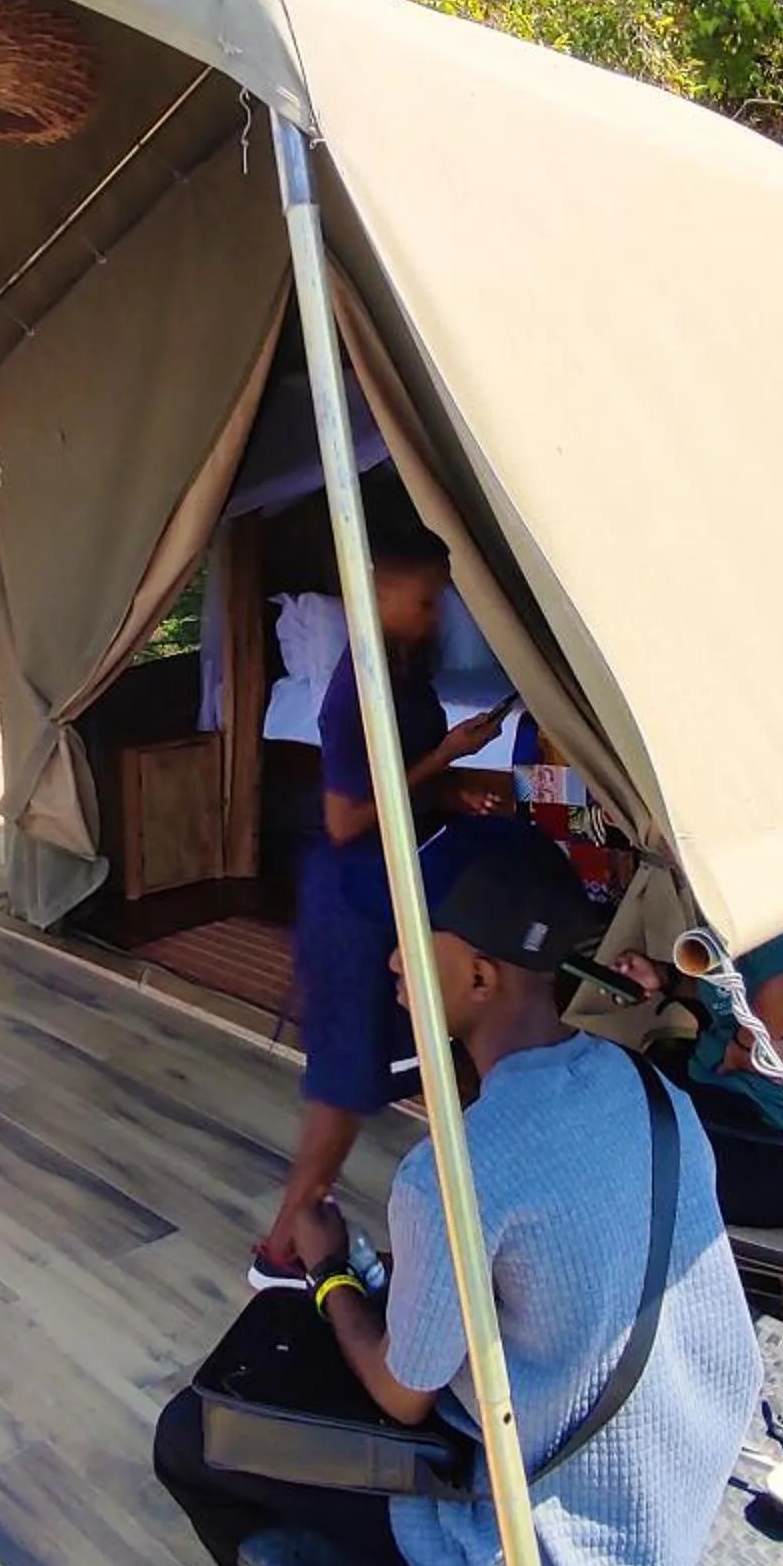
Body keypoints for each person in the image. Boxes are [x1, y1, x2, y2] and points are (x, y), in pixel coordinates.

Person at [159, 830, 758, 1566]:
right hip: (684, 1475)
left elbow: (403, 1395)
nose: (394, 963)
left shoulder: (454, 1173)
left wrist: (332, 1269)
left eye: (410, 943)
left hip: (573, 1557)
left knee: (187, 1439)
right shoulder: (646, 1087)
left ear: (479, 975)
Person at [260, 523, 511, 1270]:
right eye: (424, 601)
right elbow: (346, 819)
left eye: (438, 604)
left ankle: (474, 1232)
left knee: (404, 1066)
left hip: (390, 890)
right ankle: (278, 1252)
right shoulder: (353, 692)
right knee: (342, 1091)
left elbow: (410, 781)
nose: (434, 617)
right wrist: (447, 755)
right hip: (350, 904)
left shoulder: (403, 676)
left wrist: (458, 790)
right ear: (377, 594)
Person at [614, 915, 783, 1230]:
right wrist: (663, 976)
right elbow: (725, 992)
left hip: (777, 1154)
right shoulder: (734, 913)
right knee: (611, 1089)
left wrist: (746, 1044)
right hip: (725, 1100)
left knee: (611, 1161)